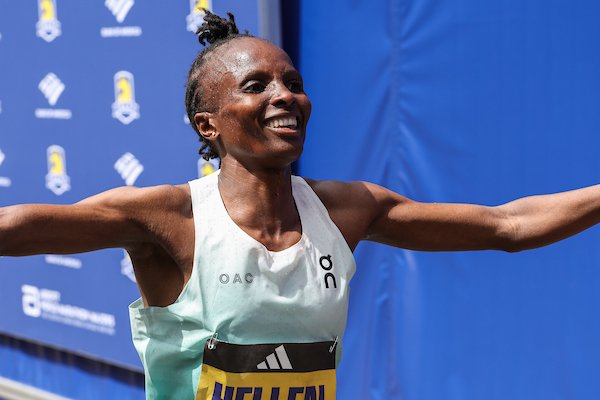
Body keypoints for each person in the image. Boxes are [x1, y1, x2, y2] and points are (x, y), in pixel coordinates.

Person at [1, 10, 600, 400]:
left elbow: (507, 225)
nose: (285, 95)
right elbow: (21, 226)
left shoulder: (347, 210)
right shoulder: (169, 217)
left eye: (292, 82)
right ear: (207, 124)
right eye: (256, 86)